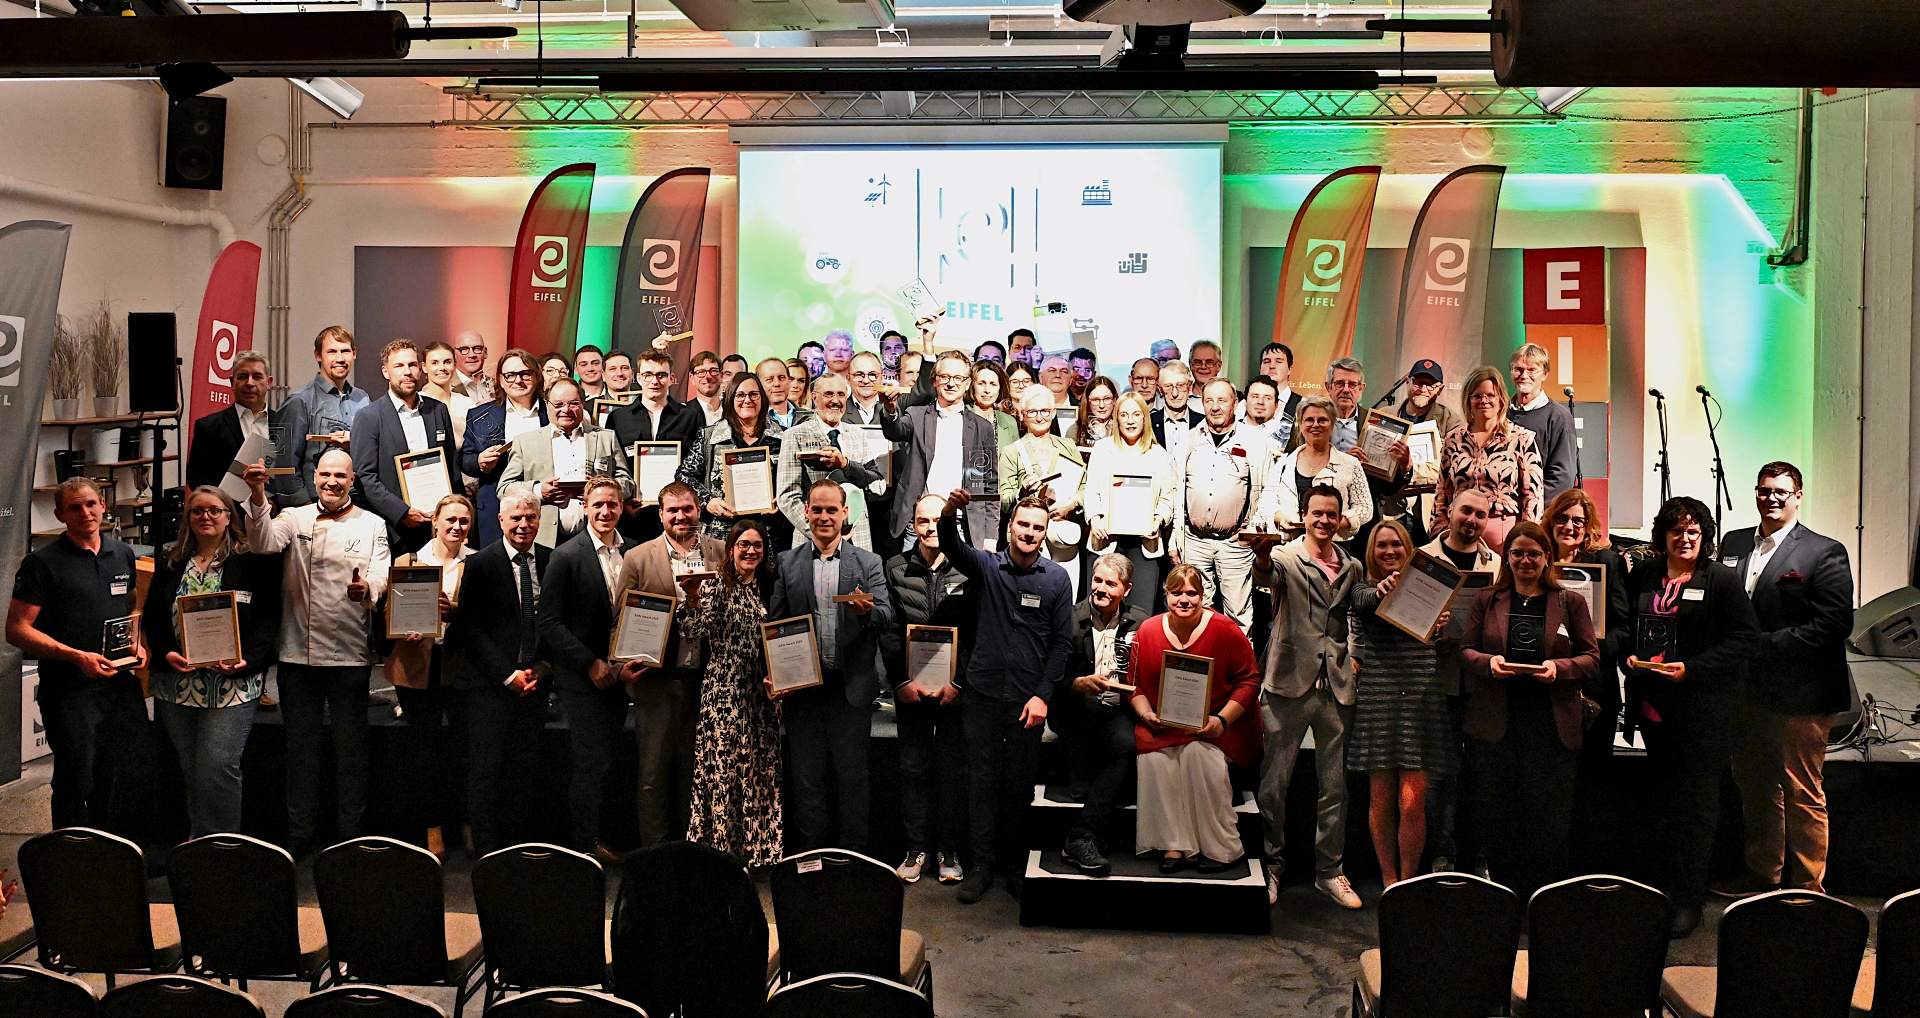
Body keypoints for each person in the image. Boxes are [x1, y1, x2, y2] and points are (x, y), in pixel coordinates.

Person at [243, 449, 390, 855]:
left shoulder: (373, 524)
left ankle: (351, 836)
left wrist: (370, 592)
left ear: (353, 479)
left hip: (350, 656)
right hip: (297, 657)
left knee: (351, 754)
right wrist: (257, 494)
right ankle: (300, 836)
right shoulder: (294, 517)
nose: (331, 481)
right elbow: (261, 542)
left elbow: (380, 572)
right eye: (325, 474)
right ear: (315, 476)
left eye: (340, 475)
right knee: (300, 754)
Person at [1625, 495, 1760, 938]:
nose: (1685, 539)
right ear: (1663, 535)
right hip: (1654, 707)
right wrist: (1629, 655)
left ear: (1705, 537)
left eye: (1694, 532)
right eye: (1677, 531)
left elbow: (1745, 638)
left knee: (1697, 806)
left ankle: (1689, 899)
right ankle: (1663, 888)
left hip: (1703, 711)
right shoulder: (1645, 573)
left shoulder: (1719, 579)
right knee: (1664, 800)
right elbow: (1628, 624)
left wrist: (1693, 670)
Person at [1718, 462, 1854, 897]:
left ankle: (1808, 890)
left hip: (1802, 694)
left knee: (1801, 792)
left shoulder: (1823, 551)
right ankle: (1763, 877)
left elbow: (1834, 624)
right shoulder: (1734, 542)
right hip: (1747, 693)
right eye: (1764, 490)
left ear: (1798, 496)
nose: (1771, 498)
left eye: (1780, 491)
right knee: (1755, 787)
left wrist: (1761, 644)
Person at [938, 491, 1074, 903]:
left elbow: (1062, 645)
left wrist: (1043, 696)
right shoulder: (988, 566)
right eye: (1024, 525)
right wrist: (950, 512)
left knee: (1018, 786)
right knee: (981, 780)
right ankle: (980, 865)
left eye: (1038, 527)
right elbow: (951, 545)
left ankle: (1014, 864)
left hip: (1025, 701)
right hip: (981, 693)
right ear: (1010, 527)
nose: (1030, 533)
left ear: (1045, 532)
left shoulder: (1056, 579)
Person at [1459, 520, 1600, 897]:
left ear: (1547, 558)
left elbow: (1591, 658)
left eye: (1534, 554)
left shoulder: (1571, 602)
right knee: (1501, 818)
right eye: (1518, 553)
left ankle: (1545, 900)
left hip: (1551, 728)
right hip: (1497, 726)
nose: (1526, 560)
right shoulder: (1487, 599)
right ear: (1507, 557)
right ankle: (1506, 898)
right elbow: (1464, 650)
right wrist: (1488, 663)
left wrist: (1560, 668)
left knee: (1548, 821)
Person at [7, 477, 149, 830]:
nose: (85, 512)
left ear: (103, 504)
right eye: (74, 507)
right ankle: (68, 861)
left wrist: (134, 642)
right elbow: (17, 629)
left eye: (90, 504)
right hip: (68, 690)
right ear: (60, 514)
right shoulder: (42, 563)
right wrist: (74, 655)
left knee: (119, 774)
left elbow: (129, 607)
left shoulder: (123, 554)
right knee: (76, 777)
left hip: (118, 685)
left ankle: (111, 854)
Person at [1249, 484, 1365, 909]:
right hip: (1286, 683)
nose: (1323, 520)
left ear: (1340, 519)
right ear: (1304, 514)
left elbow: (1358, 616)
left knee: (1334, 787)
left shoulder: (1352, 565)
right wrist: (1261, 556)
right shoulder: (1284, 557)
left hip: (1335, 686)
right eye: (1317, 513)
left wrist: (1355, 657)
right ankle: (1271, 865)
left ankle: (1330, 872)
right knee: (1274, 784)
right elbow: (1266, 577)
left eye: (1331, 514)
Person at [141, 486, 279, 839]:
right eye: (197, 511)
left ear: (229, 517)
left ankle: (222, 846)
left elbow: (268, 619)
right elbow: (154, 617)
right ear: (187, 518)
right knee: (191, 768)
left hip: (233, 684)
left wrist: (247, 662)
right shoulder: (170, 560)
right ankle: (198, 842)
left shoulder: (251, 560)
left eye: (214, 510)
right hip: (177, 683)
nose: (206, 517)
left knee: (218, 766)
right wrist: (165, 651)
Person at [765, 480, 893, 853]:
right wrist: (775, 672)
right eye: (817, 510)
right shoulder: (787, 562)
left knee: (853, 780)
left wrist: (868, 613)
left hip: (850, 690)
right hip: (803, 690)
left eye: (831, 510)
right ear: (805, 512)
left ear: (845, 513)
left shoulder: (868, 563)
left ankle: (852, 861)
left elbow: (887, 617)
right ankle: (812, 861)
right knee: (808, 781)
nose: (824, 517)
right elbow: (775, 624)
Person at [610, 481, 726, 848]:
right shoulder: (638, 557)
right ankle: (655, 855)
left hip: (708, 684)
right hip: (656, 682)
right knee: (653, 774)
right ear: (660, 514)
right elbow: (618, 622)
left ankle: (693, 851)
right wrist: (620, 667)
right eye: (672, 510)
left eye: (687, 508)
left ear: (698, 510)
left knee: (699, 773)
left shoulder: (721, 553)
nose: (680, 516)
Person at [1129, 563, 1263, 872]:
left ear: (1204, 596)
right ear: (1166, 596)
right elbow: (1133, 684)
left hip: (1216, 726)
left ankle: (1222, 848)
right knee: (1155, 760)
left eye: (1192, 593)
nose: (1184, 600)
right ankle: (1173, 845)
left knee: (1197, 758)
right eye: (1177, 593)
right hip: (1162, 726)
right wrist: (1146, 714)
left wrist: (1222, 721)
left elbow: (1250, 681)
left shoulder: (1225, 629)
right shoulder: (1147, 631)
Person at [537, 478, 640, 862]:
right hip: (583, 681)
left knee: (612, 763)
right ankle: (584, 847)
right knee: (588, 765)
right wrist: (590, 663)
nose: (605, 512)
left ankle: (607, 838)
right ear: (584, 507)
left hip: (622, 678)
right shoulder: (565, 555)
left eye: (612, 504)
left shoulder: (634, 551)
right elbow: (549, 623)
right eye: (597, 504)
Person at [1346, 520, 1453, 887]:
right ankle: (1389, 882)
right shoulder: (1363, 588)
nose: (1389, 551)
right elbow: (1363, 600)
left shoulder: (1430, 592)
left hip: (1421, 697)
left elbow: (1447, 641)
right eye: (1381, 546)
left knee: (1413, 803)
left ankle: (1407, 883)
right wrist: (1382, 590)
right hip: (1380, 697)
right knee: (1381, 801)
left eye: (1397, 545)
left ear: (1409, 550)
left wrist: (1442, 626)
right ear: (1371, 553)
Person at [449, 486, 552, 856]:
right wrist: (508, 675)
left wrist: (539, 669)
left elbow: (555, 625)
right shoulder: (479, 564)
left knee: (524, 770)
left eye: (530, 518)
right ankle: (488, 851)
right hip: (490, 686)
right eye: (516, 518)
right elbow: (469, 630)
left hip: (536, 684)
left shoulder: (552, 560)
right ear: (500, 520)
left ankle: (518, 845)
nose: (523, 525)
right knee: (486, 770)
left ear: (540, 520)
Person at [676, 519, 784, 865]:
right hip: (723, 689)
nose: (750, 550)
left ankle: (758, 851)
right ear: (731, 548)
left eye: (757, 545)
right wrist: (691, 596)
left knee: (757, 768)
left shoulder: (771, 587)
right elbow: (691, 630)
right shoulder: (715, 584)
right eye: (743, 544)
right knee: (724, 770)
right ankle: (721, 853)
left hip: (761, 691)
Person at [883, 494, 974, 885]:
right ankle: (916, 848)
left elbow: (975, 633)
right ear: (913, 525)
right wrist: (901, 683)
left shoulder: (968, 569)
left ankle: (948, 850)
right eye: (922, 520)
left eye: (938, 519)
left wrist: (959, 683)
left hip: (954, 692)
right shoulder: (895, 567)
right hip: (912, 690)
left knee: (952, 771)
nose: (930, 527)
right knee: (914, 769)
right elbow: (888, 631)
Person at [1543, 486, 1633, 874]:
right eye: (1563, 518)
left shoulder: (1606, 562)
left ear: (1588, 525)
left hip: (1593, 685)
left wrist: (1591, 652)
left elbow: (1622, 628)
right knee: (1553, 779)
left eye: (1578, 521)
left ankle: (1591, 868)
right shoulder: (1537, 557)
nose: (1570, 526)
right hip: (1547, 686)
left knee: (1595, 779)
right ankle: (1553, 866)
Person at [382, 494, 474, 859]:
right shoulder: (410, 560)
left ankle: (467, 822)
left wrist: (454, 612)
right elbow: (389, 612)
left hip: (460, 668)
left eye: (464, 521)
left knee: (464, 750)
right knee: (426, 753)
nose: (456, 527)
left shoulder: (478, 563)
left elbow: (485, 620)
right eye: (449, 519)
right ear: (434, 521)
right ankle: (432, 828)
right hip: (415, 668)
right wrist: (405, 627)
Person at [1416, 488, 1499, 875]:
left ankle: (1477, 858)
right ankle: (1440, 855)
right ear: (1450, 511)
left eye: (1480, 515)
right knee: (1440, 776)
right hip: (1436, 682)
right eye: (1466, 511)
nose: (1472, 520)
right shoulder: (1422, 561)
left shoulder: (1499, 567)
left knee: (1481, 777)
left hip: (1483, 685)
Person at [1056, 554, 1150, 876]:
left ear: (1126, 588)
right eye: (1097, 580)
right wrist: (1077, 684)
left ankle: (1081, 836)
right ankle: (1083, 775)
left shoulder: (1140, 622)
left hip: (1116, 709)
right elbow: (1050, 677)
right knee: (1087, 710)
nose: (1102, 588)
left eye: (1111, 583)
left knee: (1126, 743)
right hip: (1072, 706)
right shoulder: (1067, 618)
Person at [1171, 379, 1274, 628]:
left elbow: (1269, 491)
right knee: (1193, 613)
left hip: (1235, 545)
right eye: (1209, 401)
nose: (1215, 407)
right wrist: (1176, 536)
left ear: (1235, 404)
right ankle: (1198, 665)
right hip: (1194, 541)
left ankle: (1239, 668)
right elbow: (1174, 489)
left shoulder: (1255, 442)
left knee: (1239, 617)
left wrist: (1252, 530)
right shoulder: (1188, 440)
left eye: (1222, 400)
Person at [877, 349, 1003, 551]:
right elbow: (895, 431)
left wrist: (989, 537)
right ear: (934, 381)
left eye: (958, 378)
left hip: (963, 527)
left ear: (968, 383)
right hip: (919, 525)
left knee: (962, 583)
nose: (951, 383)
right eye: (945, 377)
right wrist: (890, 409)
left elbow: (987, 484)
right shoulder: (917, 416)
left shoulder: (981, 428)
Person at [351, 339, 462, 554]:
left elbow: (452, 468)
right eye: (399, 366)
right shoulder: (369, 417)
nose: (407, 372)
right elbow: (365, 478)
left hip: (436, 527)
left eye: (412, 365)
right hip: (392, 528)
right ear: (386, 372)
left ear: (420, 369)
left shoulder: (438, 410)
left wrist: (453, 515)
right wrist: (402, 512)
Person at [499, 378, 632, 549]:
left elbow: (627, 483)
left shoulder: (606, 437)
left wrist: (598, 491)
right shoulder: (525, 442)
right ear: (547, 405)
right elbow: (504, 489)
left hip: (598, 538)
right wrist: (539, 491)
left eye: (573, 403)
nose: (566, 410)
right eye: (558, 404)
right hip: (544, 541)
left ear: (583, 404)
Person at [1084, 392, 1176, 614]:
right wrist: (1095, 519)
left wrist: (1158, 520)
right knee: (1100, 608)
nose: (1130, 420)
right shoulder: (1103, 449)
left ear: (1145, 417)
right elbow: (1091, 491)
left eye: (1136, 414)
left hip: (1144, 543)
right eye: (1124, 415)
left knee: (1140, 613)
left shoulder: (1157, 453)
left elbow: (1168, 497)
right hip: (1106, 540)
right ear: (1116, 418)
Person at [1433, 365, 1543, 551]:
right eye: (1477, 396)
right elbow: (1442, 492)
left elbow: (1533, 496)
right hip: (1458, 533)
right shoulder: (1453, 439)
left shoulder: (1521, 439)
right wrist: (1439, 532)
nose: (1484, 400)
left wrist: (1526, 541)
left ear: (1501, 399)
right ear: (1468, 400)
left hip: (1503, 535)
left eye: (1491, 395)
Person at [185, 350, 310, 508]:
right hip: (229, 519)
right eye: (243, 376)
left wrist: (274, 503)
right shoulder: (209, 426)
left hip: (278, 516)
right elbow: (198, 478)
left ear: (269, 382)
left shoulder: (285, 424)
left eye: (257, 377)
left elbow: (293, 470)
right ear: (232, 382)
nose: (250, 383)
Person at [775, 372, 885, 551]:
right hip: (812, 540)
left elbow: (877, 485)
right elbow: (787, 496)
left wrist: (846, 465)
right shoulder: (796, 435)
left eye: (841, 394)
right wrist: (822, 532)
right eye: (828, 394)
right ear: (814, 398)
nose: (835, 400)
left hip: (857, 538)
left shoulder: (857, 434)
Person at [681, 371, 790, 549]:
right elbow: (685, 476)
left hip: (770, 536)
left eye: (754, 394)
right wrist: (708, 501)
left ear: (762, 398)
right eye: (740, 395)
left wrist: (782, 501)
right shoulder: (709, 437)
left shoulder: (784, 437)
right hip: (721, 536)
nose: (747, 400)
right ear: (730, 399)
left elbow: (797, 481)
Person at [607, 349, 705, 541]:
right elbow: (613, 467)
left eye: (661, 375)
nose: (655, 381)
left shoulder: (690, 417)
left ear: (672, 378)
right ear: (638, 377)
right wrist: (622, 502)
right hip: (633, 516)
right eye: (648, 375)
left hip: (678, 516)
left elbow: (700, 467)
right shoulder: (619, 418)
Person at [1001, 388, 1088, 595]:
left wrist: (1071, 504)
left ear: (1053, 412)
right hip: (1029, 538)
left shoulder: (1067, 446)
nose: (1039, 417)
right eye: (1032, 412)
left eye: (1045, 411)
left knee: (1064, 596)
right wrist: (1022, 492)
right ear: (1023, 415)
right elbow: (1003, 500)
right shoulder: (1012, 451)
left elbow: (1085, 487)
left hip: (1063, 535)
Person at [461, 349, 547, 548]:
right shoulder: (479, 415)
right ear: (500, 379)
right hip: (495, 505)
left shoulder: (552, 412)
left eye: (525, 373)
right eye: (510, 375)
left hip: (543, 506)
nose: (518, 380)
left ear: (536, 376)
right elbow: (466, 459)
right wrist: (480, 462)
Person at [1265, 394, 1372, 541]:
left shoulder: (1350, 464)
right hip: (1291, 549)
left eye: (1322, 420)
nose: (1315, 424)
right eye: (1309, 420)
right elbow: (1266, 502)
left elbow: (1365, 508)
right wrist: (1280, 518)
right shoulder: (1284, 463)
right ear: (1300, 425)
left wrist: (1336, 523)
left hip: (1335, 546)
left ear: (1332, 425)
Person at [287, 325, 371, 499]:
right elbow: (286, 463)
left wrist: (355, 443)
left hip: (358, 503)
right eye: (332, 352)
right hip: (316, 504)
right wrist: (304, 506)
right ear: (318, 355)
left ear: (354, 353)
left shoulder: (362, 399)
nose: (340, 358)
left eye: (345, 351)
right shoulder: (300, 400)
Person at [1506, 343, 1580, 503]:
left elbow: (1562, 476)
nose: (1524, 375)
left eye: (1532, 370)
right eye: (1518, 369)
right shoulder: (1501, 413)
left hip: (1538, 514)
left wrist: (1529, 504)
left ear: (1545, 374)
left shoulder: (1559, 417)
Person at [421, 341, 476, 450]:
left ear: (455, 365)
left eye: (447, 362)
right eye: (434, 363)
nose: (442, 367)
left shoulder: (466, 403)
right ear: (424, 367)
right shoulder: (417, 403)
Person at [1150, 361, 1202, 458]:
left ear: (1189, 387)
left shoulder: (1203, 424)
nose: (1175, 393)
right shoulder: (1148, 423)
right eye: (1168, 386)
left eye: (1180, 385)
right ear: (1160, 390)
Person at [972, 359, 1020, 449]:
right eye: (981, 383)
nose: (987, 390)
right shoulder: (962, 415)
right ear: (972, 385)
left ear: (1000, 388)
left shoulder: (1009, 422)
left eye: (993, 384)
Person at [1070, 376, 1118, 447]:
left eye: (1107, 399)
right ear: (1087, 402)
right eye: (1096, 400)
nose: (1102, 405)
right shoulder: (1075, 431)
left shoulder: (1123, 428)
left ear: (1115, 400)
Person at [756, 357, 804, 430]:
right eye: (769, 379)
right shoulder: (753, 421)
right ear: (758, 384)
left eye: (781, 378)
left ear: (788, 381)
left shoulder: (808, 418)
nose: (777, 383)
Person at [451, 331, 494, 403]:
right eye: (464, 349)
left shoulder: (499, 386)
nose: (472, 355)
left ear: (485, 352)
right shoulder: (444, 387)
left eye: (477, 348)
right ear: (454, 354)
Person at [685, 350, 726, 426]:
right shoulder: (683, 414)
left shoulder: (734, 411)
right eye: (701, 372)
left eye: (713, 371)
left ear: (721, 375)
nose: (708, 376)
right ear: (692, 378)